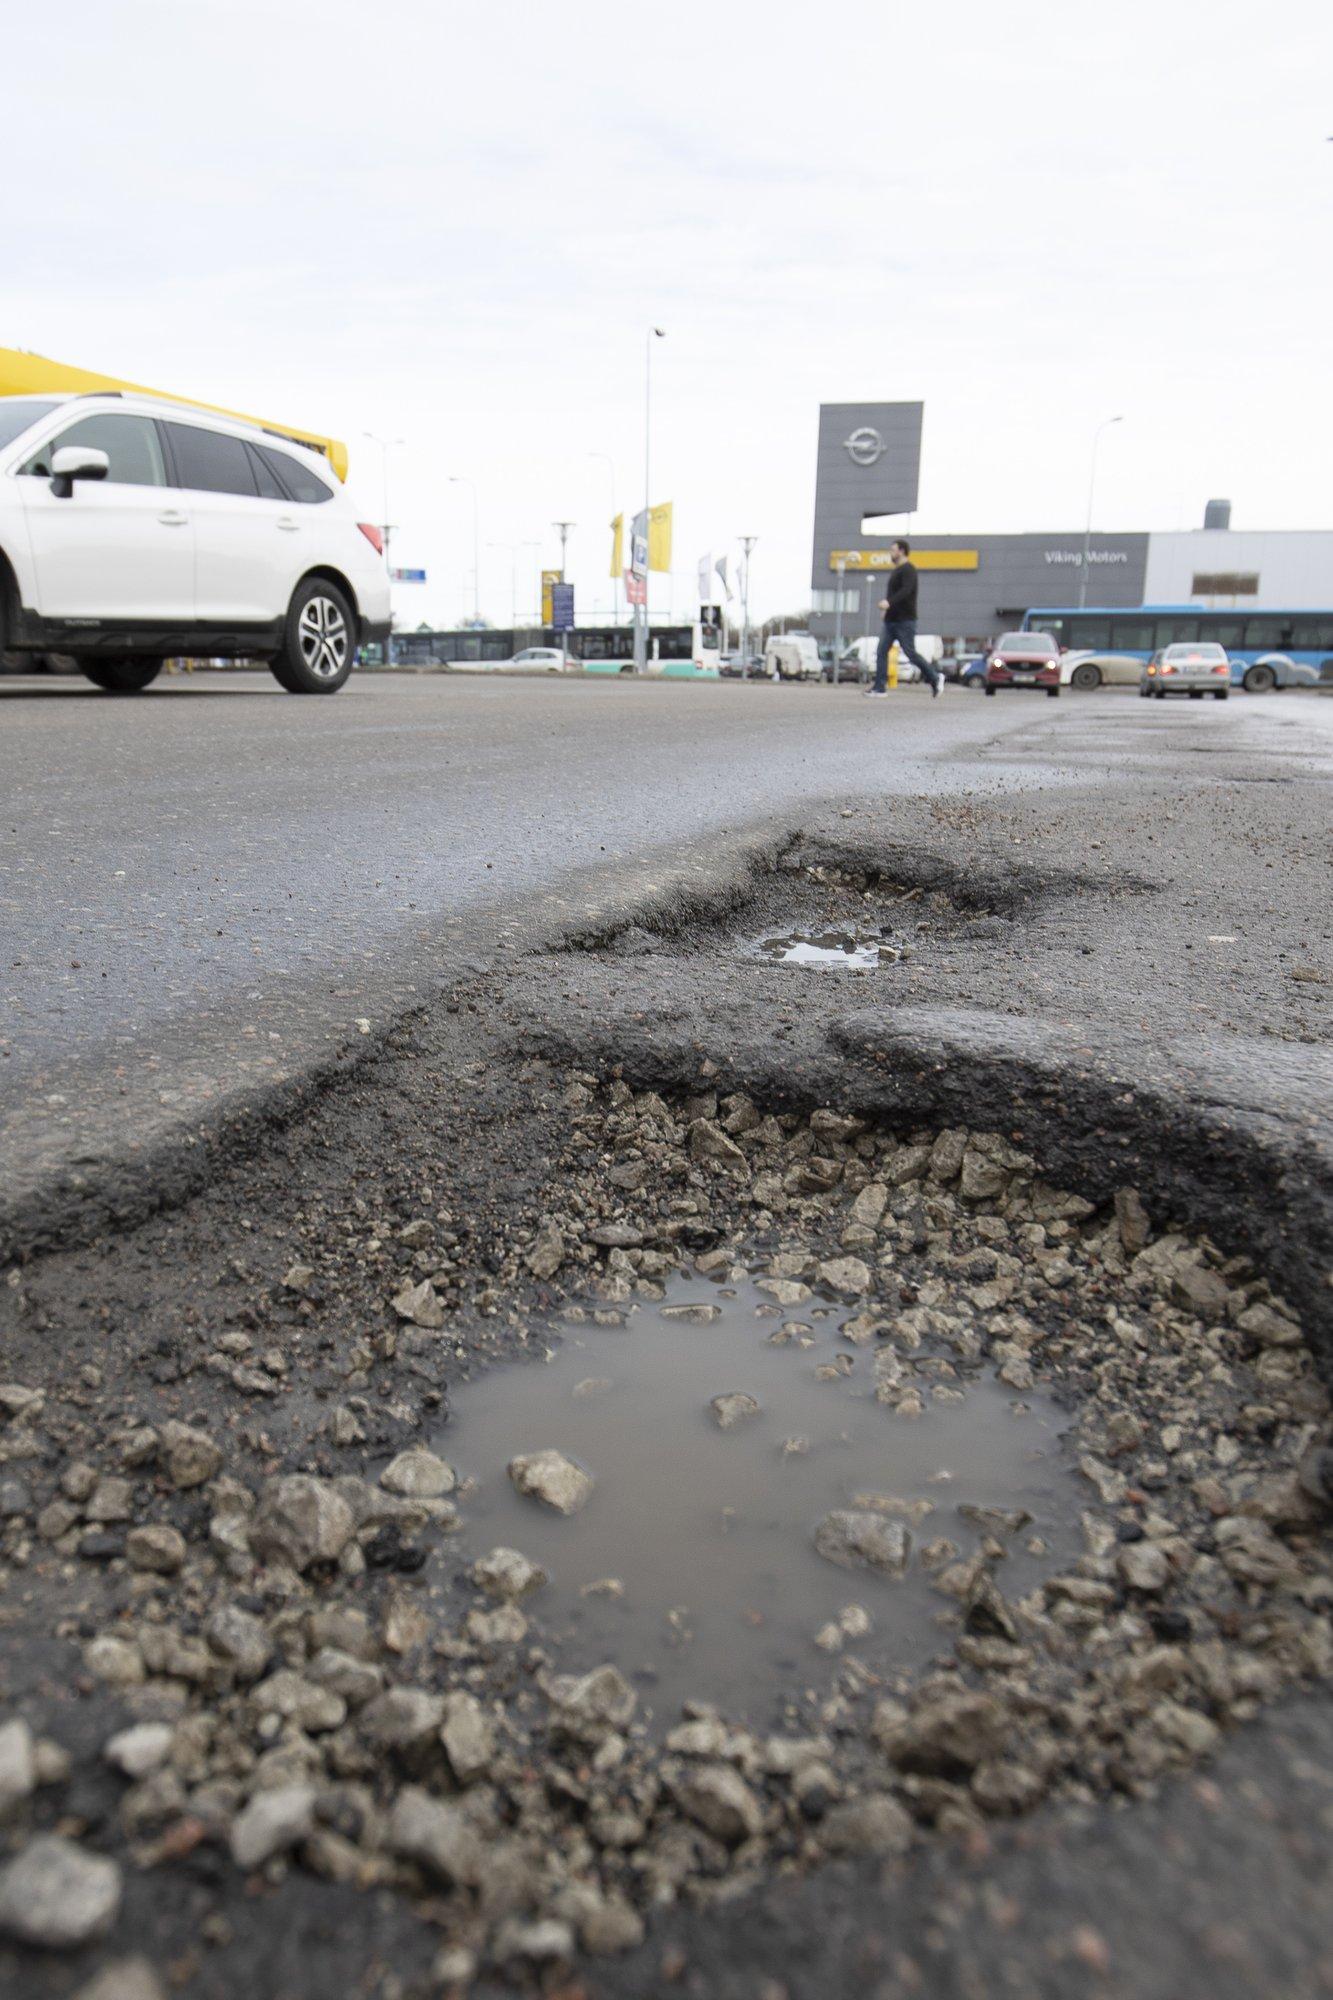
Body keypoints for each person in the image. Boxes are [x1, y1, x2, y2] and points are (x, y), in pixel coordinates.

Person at [865, 539, 941, 698]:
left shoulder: (909, 570)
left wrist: (888, 602)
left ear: (902, 551)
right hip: (891, 620)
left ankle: (935, 677)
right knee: (881, 651)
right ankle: (879, 688)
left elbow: (906, 590)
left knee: (910, 653)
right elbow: (892, 593)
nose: (890, 553)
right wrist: (887, 609)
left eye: (893, 550)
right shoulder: (896, 571)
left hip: (905, 620)